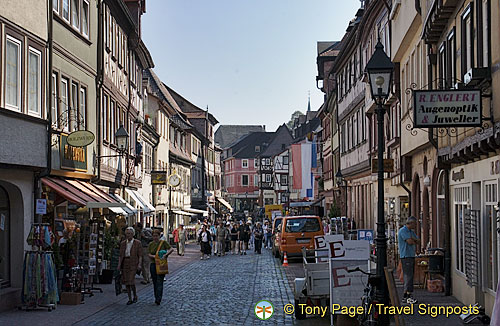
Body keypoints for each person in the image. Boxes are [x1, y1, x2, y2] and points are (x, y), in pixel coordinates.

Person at [398, 216, 420, 304]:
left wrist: (413, 239)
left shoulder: (410, 232)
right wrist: (413, 240)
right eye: (414, 223)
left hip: (410, 255)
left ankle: (406, 295)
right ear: (410, 223)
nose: (415, 225)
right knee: (408, 276)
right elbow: (410, 242)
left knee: (410, 276)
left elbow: (418, 240)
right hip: (406, 256)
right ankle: (407, 296)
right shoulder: (403, 231)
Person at [148, 229, 173, 305]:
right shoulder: (151, 244)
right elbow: (148, 254)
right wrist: (153, 256)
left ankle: (158, 298)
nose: (155, 237)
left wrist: (166, 255)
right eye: (154, 236)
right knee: (155, 281)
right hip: (153, 264)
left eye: (156, 236)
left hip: (161, 264)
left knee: (160, 281)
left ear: (159, 236)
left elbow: (171, 249)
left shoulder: (163, 243)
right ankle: (156, 296)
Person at [118, 227, 143, 305]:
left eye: (129, 233)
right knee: (126, 281)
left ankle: (135, 295)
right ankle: (129, 298)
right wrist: (119, 264)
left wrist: (139, 264)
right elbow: (120, 255)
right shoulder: (123, 243)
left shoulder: (137, 243)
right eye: (127, 234)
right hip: (125, 262)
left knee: (131, 280)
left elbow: (140, 255)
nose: (128, 235)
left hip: (133, 263)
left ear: (133, 234)